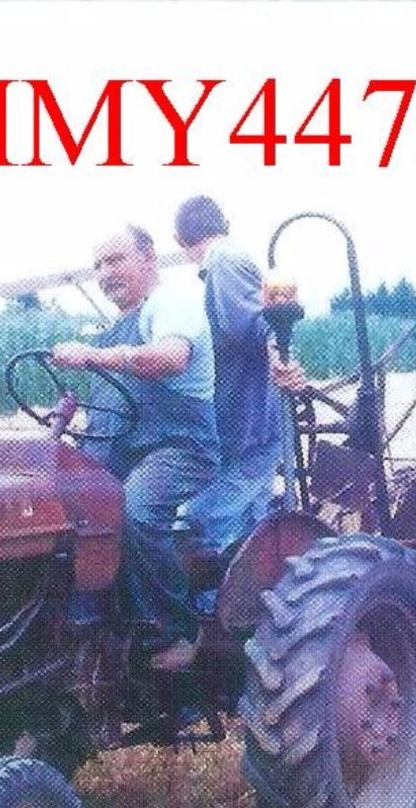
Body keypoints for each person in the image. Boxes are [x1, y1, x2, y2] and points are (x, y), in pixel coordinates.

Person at [50, 225, 218, 672]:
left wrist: (91, 356)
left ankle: (177, 629)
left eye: (115, 260)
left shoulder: (172, 304)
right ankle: (76, 630)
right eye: (98, 266)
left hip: (179, 446)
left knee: (135, 510)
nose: (104, 274)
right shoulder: (109, 333)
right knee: (56, 509)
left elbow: (170, 358)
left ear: (149, 257)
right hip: (123, 450)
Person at [172, 195, 295, 554]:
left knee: (208, 522)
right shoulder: (222, 265)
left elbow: (261, 324)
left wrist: (278, 356)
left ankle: (215, 603)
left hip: (247, 423)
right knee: (247, 524)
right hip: (248, 422)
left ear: (181, 241)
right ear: (225, 223)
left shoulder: (225, 261)